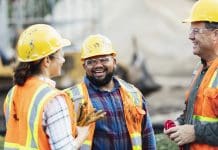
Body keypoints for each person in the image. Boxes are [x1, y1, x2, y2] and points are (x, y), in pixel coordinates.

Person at [3, 24, 105, 150]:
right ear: (46, 61)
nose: (63, 60)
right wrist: (82, 134)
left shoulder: (13, 93)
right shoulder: (53, 99)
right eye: (60, 54)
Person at [64, 34, 156, 150]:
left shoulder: (133, 94)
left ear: (114, 62)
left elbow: (147, 135)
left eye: (104, 60)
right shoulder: (72, 99)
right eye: (91, 62)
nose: (98, 65)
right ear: (84, 66)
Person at [164, 0, 218, 149]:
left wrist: (195, 132)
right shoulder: (201, 68)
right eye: (190, 31)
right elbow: (196, 113)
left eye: (196, 31)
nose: (190, 37)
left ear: (215, 34)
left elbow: (197, 128)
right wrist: (179, 124)